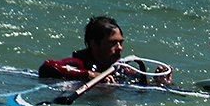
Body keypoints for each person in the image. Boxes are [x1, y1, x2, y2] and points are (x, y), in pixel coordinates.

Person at [38, 16, 171, 85]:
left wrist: (161, 83)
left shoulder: (124, 71)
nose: (119, 48)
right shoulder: (78, 63)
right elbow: (48, 66)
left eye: (121, 42)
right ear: (94, 44)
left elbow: (143, 92)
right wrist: (90, 75)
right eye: (113, 43)